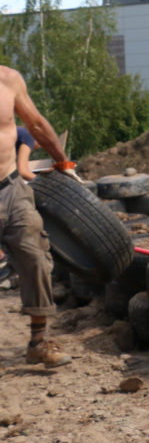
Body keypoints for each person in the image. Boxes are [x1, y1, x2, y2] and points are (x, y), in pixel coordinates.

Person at [0, 66, 82, 367]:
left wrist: (63, 161)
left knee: (36, 258)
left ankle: (38, 342)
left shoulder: (8, 79)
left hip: (11, 188)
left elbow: (34, 123)